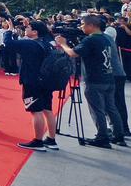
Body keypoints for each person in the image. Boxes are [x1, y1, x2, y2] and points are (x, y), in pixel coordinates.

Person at [54, 15, 126, 148]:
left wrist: (63, 44)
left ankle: (102, 137)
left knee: (97, 109)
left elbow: (73, 53)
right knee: (111, 108)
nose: (81, 27)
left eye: (83, 24)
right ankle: (118, 135)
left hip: (95, 79)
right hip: (109, 77)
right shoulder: (105, 38)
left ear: (91, 26)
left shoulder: (90, 40)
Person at [6, 21, 58, 151]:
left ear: (35, 32)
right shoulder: (47, 43)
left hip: (32, 81)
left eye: (28, 27)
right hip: (46, 80)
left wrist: (10, 30)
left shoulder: (29, 43)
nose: (25, 29)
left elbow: (9, 43)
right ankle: (51, 139)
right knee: (47, 109)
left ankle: (38, 141)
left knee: (36, 111)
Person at [115, 13, 131, 82]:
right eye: (119, 21)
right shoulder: (117, 28)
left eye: (122, 21)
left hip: (130, 48)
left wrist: (125, 27)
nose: (120, 22)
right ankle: (127, 76)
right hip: (121, 48)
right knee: (124, 63)